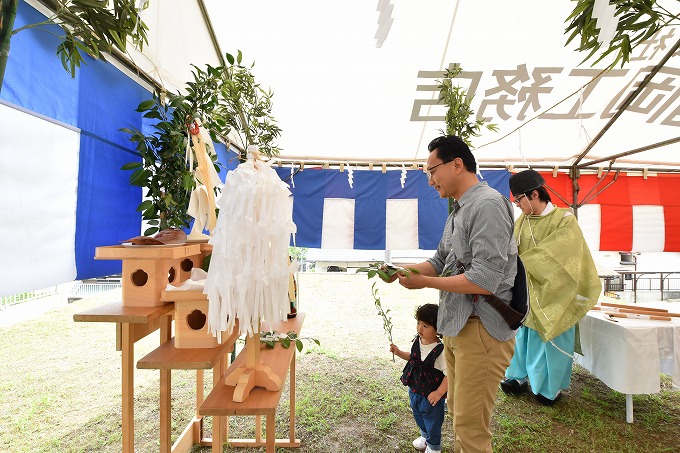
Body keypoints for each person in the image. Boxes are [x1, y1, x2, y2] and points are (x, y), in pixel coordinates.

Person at [389, 135, 518, 453]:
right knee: (459, 418)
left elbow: (485, 280)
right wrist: (405, 270)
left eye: (432, 171)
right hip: (460, 328)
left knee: (471, 430)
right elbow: (438, 262)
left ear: (457, 164)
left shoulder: (488, 205)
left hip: (483, 330)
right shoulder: (459, 212)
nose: (430, 180)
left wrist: (426, 284)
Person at [500, 169, 602, 405]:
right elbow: (511, 251)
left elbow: (562, 255)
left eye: (519, 200)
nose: (518, 206)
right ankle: (517, 377)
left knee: (550, 338)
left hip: (557, 293)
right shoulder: (522, 221)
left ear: (534, 194)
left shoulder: (564, 220)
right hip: (527, 292)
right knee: (523, 335)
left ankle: (548, 388)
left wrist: (525, 263)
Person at [390, 304, 448, 453]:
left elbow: (449, 375)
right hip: (415, 389)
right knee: (418, 415)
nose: (419, 329)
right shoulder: (418, 341)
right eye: (418, 323)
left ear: (438, 328)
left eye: (425, 325)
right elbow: (412, 358)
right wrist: (398, 352)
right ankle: (424, 437)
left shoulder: (440, 351)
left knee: (433, 420)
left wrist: (439, 393)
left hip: (431, 395)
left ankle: (434, 447)